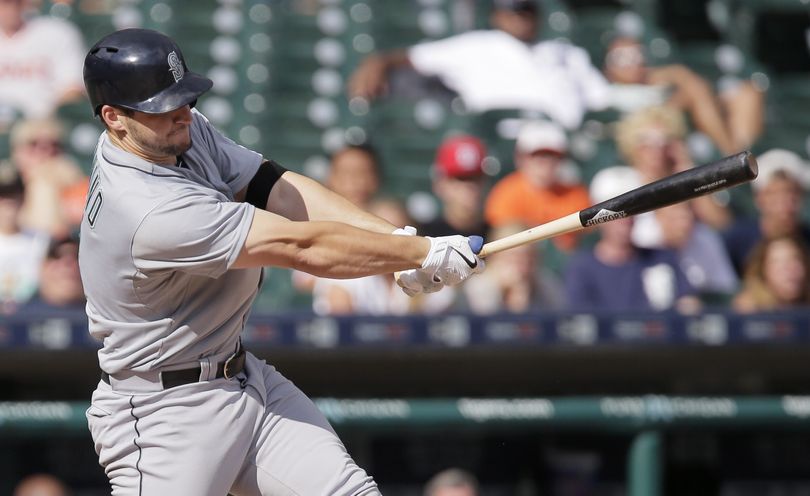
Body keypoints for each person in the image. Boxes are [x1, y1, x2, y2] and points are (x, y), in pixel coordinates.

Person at [79, 28, 484, 496]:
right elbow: (300, 246)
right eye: (163, 107)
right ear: (114, 118)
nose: (183, 113)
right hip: (165, 416)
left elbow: (273, 187)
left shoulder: (174, 133)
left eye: (184, 98)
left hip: (242, 379)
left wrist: (393, 241)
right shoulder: (146, 209)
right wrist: (418, 253)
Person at [348, 0, 609, 130]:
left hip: (561, 139)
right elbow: (413, 57)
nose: (522, 18)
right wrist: (377, 61)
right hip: (501, 139)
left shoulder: (565, 52)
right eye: (514, 11)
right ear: (497, 15)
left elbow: (602, 101)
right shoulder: (477, 45)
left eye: (527, 11)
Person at [564, 166, 699, 313]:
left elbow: (689, 307)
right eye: (614, 214)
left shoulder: (662, 258)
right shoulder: (582, 268)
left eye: (630, 211)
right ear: (598, 219)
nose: (624, 219)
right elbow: (581, 322)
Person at [603, 36, 762, 154]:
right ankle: (732, 154)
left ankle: (743, 151)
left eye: (637, 54)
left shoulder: (652, 80)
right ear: (608, 68)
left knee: (748, 92)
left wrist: (674, 74)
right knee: (695, 90)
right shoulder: (612, 93)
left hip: (685, 118)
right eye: (621, 57)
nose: (632, 62)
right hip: (652, 131)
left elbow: (683, 75)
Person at [614, 105, 732, 243]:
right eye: (646, 139)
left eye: (664, 139)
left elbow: (721, 222)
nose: (656, 148)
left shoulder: (683, 182)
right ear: (632, 144)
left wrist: (687, 169)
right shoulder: (619, 181)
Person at [484, 119, 590, 252]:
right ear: (520, 158)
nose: (545, 162)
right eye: (537, 155)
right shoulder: (505, 194)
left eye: (551, 155)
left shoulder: (576, 195)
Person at [723, 148, 810, 276]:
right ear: (759, 198)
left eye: (793, 193)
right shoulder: (737, 240)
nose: (786, 203)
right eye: (776, 195)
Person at [0, 0, 86, 120]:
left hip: (43, 124)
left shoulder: (57, 32)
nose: (10, 8)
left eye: (15, 2)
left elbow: (73, 89)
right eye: (5, 3)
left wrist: (45, 121)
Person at [5, 117, 89, 237]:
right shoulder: (6, 181)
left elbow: (52, 231)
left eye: (54, 144)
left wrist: (45, 182)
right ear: (16, 151)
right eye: (33, 143)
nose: (46, 150)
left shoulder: (75, 184)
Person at [464, 222, 565, 314]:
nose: (523, 265)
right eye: (515, 257)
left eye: (529, 257)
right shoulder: (478, 285)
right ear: (495, 257)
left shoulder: (546, 283)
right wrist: (507, 294)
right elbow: (484, 325)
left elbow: (560, 321)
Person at [654, 202, 738, 301]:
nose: (683, 223)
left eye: (686, 212)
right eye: (674, 217)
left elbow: (725, 287)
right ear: (659, 217)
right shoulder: (642, 242)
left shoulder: (707, 239)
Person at [0, 161, 48, 313]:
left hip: (32, 316)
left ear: (22, 198)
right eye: (2, 196)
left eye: (13, 195)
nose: (8, 202)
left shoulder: (42, 240)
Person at [419, 134, 489, 238]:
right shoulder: (424, 237)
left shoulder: (499, 236)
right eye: (460, 178)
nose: (469, 186)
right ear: (439, 184)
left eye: (475, 178)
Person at [733, 235, 810, 313]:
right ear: (763, 272)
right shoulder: (751, 310)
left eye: (795, 260)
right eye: (778, 263)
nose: (789, 269)